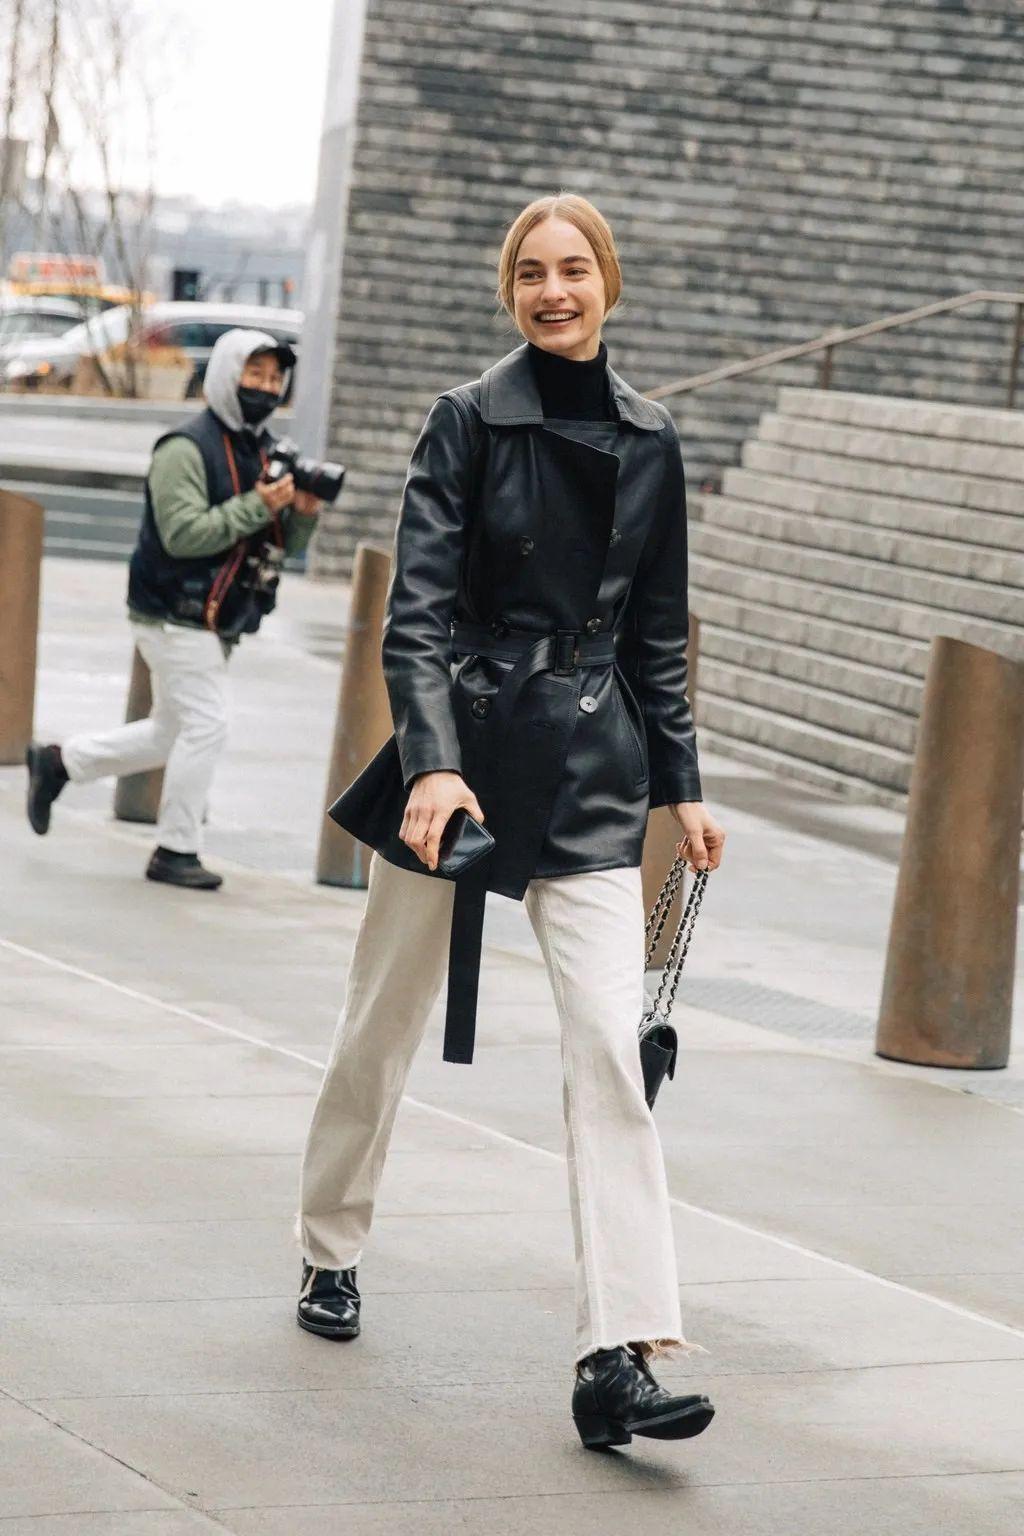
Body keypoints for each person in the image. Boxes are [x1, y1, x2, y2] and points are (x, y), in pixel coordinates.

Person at [295, 194, 727, 1450]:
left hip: (590, 771)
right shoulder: (467, 420)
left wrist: (682, 783)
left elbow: (656, 634)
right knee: (380, 1025)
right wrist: (432, 767)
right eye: (531, 273)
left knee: (608, 1055)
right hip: (464, 770)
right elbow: (416, 616)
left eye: (574, 269)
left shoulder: (650, 437)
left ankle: (618, 1353)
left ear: (608, 283)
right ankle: (329, 1246)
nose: (553, 291)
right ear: (509, 291)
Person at [25, 329, 322, 889]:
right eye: (254, 374)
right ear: (227, 375)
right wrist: (256, 504)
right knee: (207, 724)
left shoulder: (263, 450)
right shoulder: (184, 448)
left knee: (171, 730)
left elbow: (280, 544)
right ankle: (175, 849)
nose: (265, 387)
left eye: (274, 378)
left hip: (216, 615)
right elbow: (183, 535)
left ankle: (62, 763)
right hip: (172, 611)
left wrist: (300, 512)